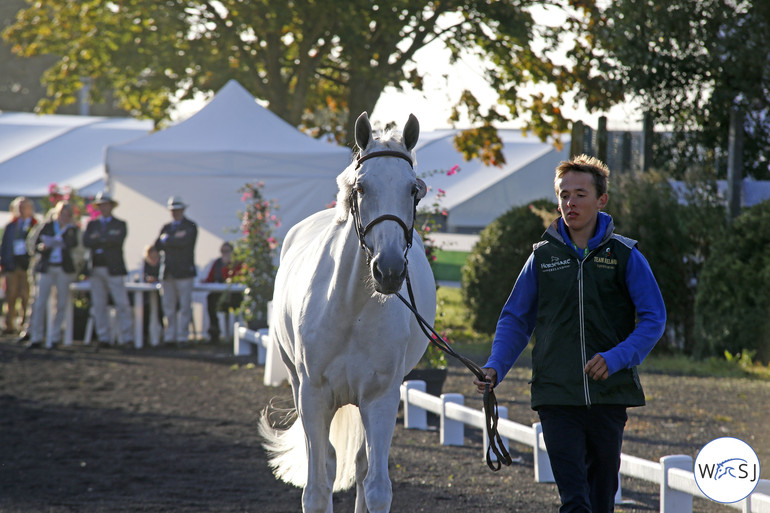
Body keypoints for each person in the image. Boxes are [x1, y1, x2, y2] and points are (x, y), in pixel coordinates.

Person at [472, 155, 666, 513]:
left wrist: (616, 357)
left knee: (601, 497)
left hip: (610, 394)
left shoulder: (625, 255)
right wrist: (495, 366)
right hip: (555, 395)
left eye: (580, 194)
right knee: (575, 500)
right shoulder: (541, 257)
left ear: (601, 200)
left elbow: (654, 318)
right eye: (564, 195)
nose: (570, 203)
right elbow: (516, 319)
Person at [26, 201, 80, 348]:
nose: (64, 217)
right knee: (40, 303)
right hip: (47, 267)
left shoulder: (72, 230)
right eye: (62, 214)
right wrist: (42, 247)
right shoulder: (47, 226)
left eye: (68, 215)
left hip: (63, 268)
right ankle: (36, 336)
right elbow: (34, 245)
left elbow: (77, 248)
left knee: (61, 303)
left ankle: (55, 337)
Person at [82, 192, 134, 346]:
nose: (104, 208)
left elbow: (116, 240)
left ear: (111, 206)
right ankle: (104, 337)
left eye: (106, 205)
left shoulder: (120, 224)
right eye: (101, 205)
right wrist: (104, 239)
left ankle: (127, 337)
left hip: (114, 269)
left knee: (121, 303)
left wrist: (98, 239)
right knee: (99, 305)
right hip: (96, 268)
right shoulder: (92, 224)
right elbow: (86, 241)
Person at [154, 196, 197, 345]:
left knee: (184, 306)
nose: (175, 213)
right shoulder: (166, 227)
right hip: (168, 272)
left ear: (183, 210)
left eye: (178, 210)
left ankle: (182, 337)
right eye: (173, 210)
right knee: (168, 306)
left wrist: (168, 240)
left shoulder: (190, 226)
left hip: (184, 272)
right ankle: (170, 335)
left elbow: (185, 243)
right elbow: (157, 245)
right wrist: (172, 239)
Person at [1, 197, 37, 335]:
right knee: (10, 294)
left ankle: (24, 324)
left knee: (26, 295)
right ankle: (8, 324)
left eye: (24, 207)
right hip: (12, 265)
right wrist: (4, 263)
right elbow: (4, 246)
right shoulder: (11, 226)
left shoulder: (35, 225)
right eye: (19, 207)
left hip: (27, 265)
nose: (22, 210)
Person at [201, 241, 243, 342]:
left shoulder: (237, 264)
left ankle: (236, 336)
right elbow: (211, 278)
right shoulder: (217, 263)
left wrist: (226, 265)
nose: (224, 253)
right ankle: (214, 330)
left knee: (231, 305)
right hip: (220, 294)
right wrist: (205, 281)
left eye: (227, 251)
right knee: (210, 299)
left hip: (234, 295)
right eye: (222, 251)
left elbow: (232, 279)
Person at [141, 244, 162, 339]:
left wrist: (157, 279)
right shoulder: (145, 265)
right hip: (147, 294)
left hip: (161, 294)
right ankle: (145, 334)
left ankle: (160, 332)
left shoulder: (162, 266)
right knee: (145, 308)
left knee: (160, 308)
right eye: (151, 257)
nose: (153, 259)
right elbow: (143, 278)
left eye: (155, 257)